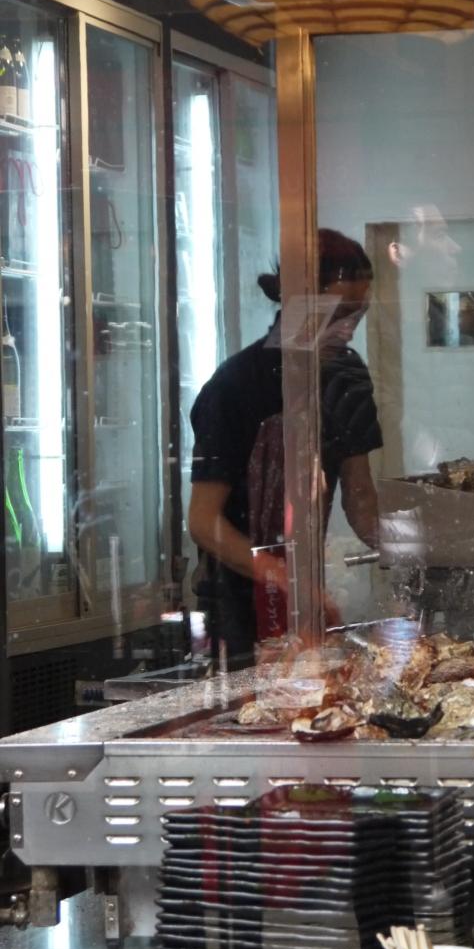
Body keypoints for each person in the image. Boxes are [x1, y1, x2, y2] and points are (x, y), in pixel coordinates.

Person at [188, 229, 382, 661]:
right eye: (339, 313)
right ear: (297, 300)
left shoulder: (347, 376)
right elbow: (203, 520)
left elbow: (360, 497)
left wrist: (412, 552)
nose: (349, 330)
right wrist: (283, 577)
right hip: (237, 605)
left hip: (303, 592)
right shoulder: (236, 384)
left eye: (359, 314)